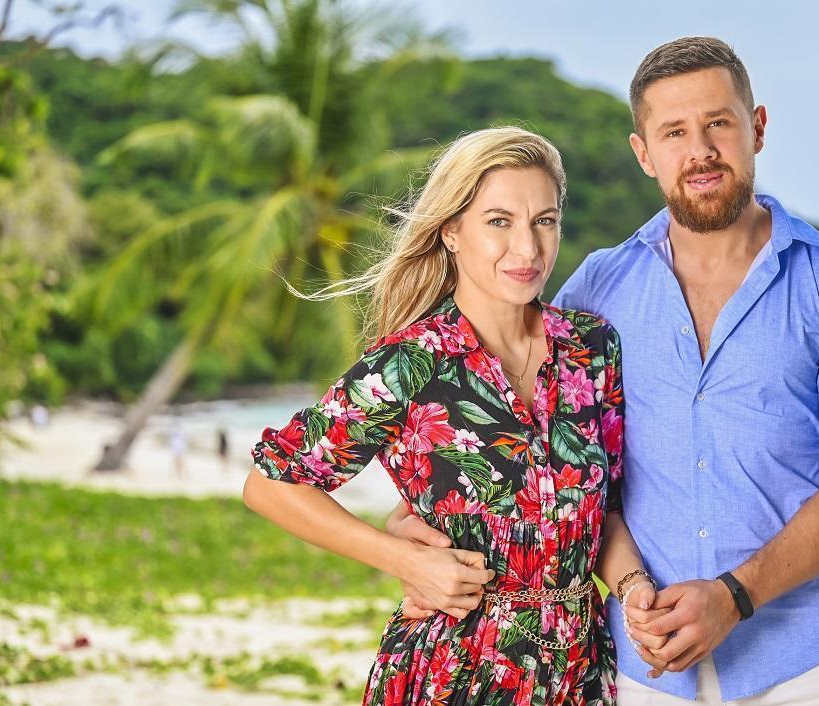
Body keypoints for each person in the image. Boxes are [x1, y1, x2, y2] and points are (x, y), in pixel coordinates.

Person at [388, 38, 819, 705]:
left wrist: (736, 595)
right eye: (674, 132)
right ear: (643, 152)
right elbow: (520, 448)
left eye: (718, 123)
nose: (700, 150)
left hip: (809, 665)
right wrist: (410, 539)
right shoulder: (596, 290)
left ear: (756, 128)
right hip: (643, 671)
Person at [244, 127, 656, 706]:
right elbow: (269, 484)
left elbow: (603, 509)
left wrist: (633, 588)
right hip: (455, 671)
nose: (527, 248)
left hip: (578, 673)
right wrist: (405, 559)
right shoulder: (409, 364)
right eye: (498, 221)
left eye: (544, 220)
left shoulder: (592, 349)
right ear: (451, 231)